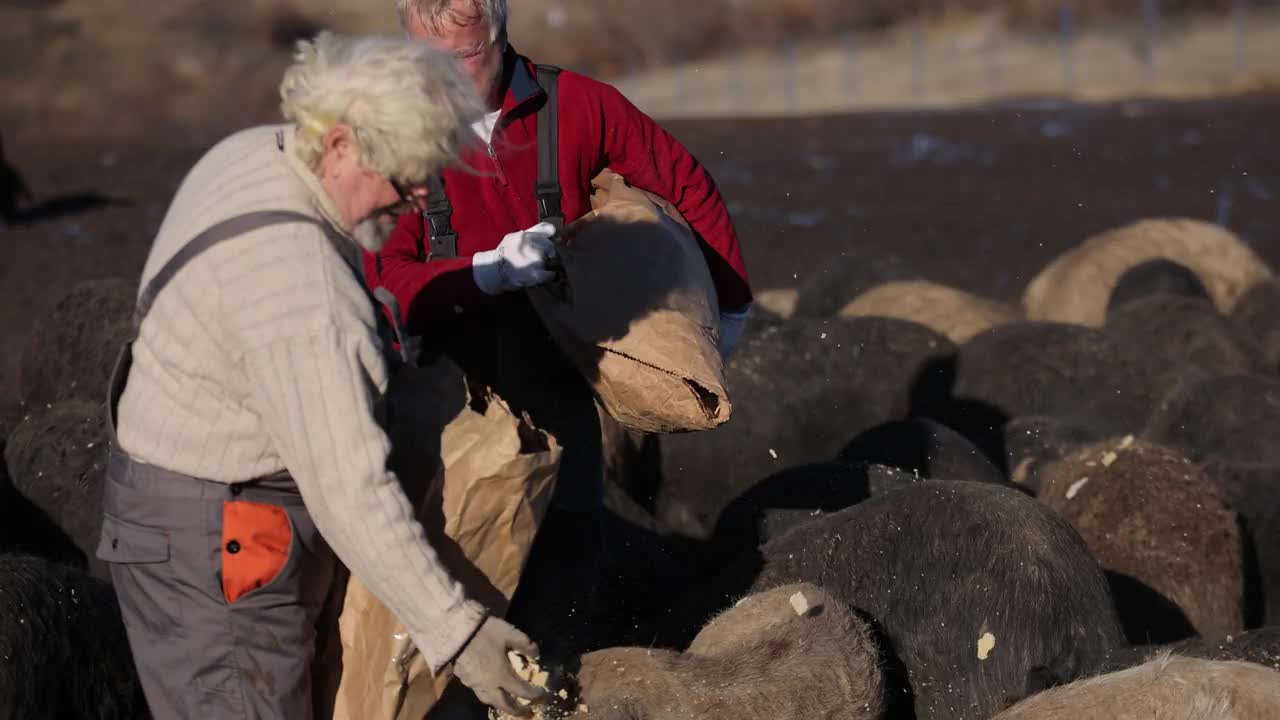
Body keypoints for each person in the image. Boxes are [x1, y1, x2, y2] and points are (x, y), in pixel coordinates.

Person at [96, 31, 547, 719]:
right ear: (337, 144)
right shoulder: (302, 294)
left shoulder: (252, 151)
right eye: (403, 176)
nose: (418, 198)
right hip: (222, 543)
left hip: (172, 495)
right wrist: (461, 634)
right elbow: (350, 492)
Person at [367, 0, 754, 658]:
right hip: (448, 397)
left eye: (462, 60)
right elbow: (378, 274)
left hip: (561, 375)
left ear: (499, 31)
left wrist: (729, 309)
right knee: (455, 565)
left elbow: (686, 184)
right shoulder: (392, 134)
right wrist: (485, 274)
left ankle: (563, 670)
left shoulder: (578, 105)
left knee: (571, 551)